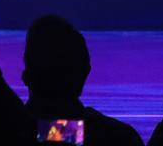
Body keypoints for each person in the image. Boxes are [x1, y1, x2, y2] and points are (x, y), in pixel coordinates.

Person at [22, 15, 143, 146]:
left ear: (26, 76)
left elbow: (47, 133)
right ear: (85, 72)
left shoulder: (5, 133)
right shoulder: (118, 137)